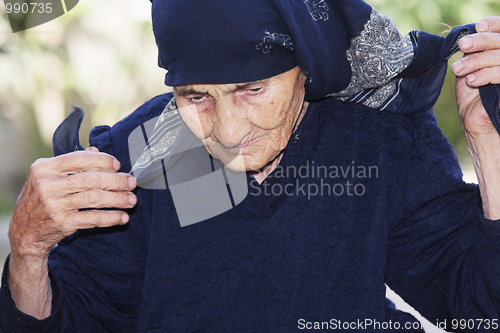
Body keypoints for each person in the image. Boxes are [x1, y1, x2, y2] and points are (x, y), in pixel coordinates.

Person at [2, 0, 500, 331]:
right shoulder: (154, 151)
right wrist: (27, 253)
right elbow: (65, 319)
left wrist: (488, 143)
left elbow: (478, 309)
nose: (228, 131)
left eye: (252, 90)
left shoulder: (374, 137)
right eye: (195, 96)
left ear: (307, 65)